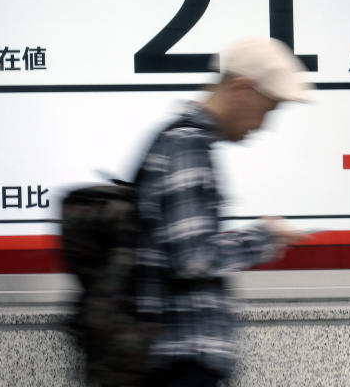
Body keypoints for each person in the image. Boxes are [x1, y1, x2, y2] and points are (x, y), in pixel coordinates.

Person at [134, 37, 312, 386]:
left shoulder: (182, 142)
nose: (262, 124)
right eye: (267, 108)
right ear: (241, 88)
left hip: (180, 360)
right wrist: (263, 237)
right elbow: (193, 257)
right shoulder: (187, 145)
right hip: (182, 360)